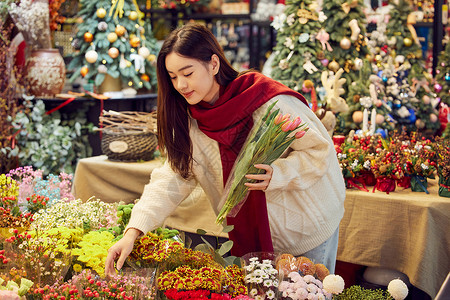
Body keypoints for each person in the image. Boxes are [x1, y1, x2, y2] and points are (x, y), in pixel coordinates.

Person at [105, 22, 345, 276]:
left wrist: (278, 173)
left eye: (188, 73)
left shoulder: (265, 99)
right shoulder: (191, 122)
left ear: (214, 64)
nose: (180, 85)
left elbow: (320, 150)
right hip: (254, 243)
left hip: (308, 229)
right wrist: (134, 231)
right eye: (173, 77)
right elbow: (171, 179)